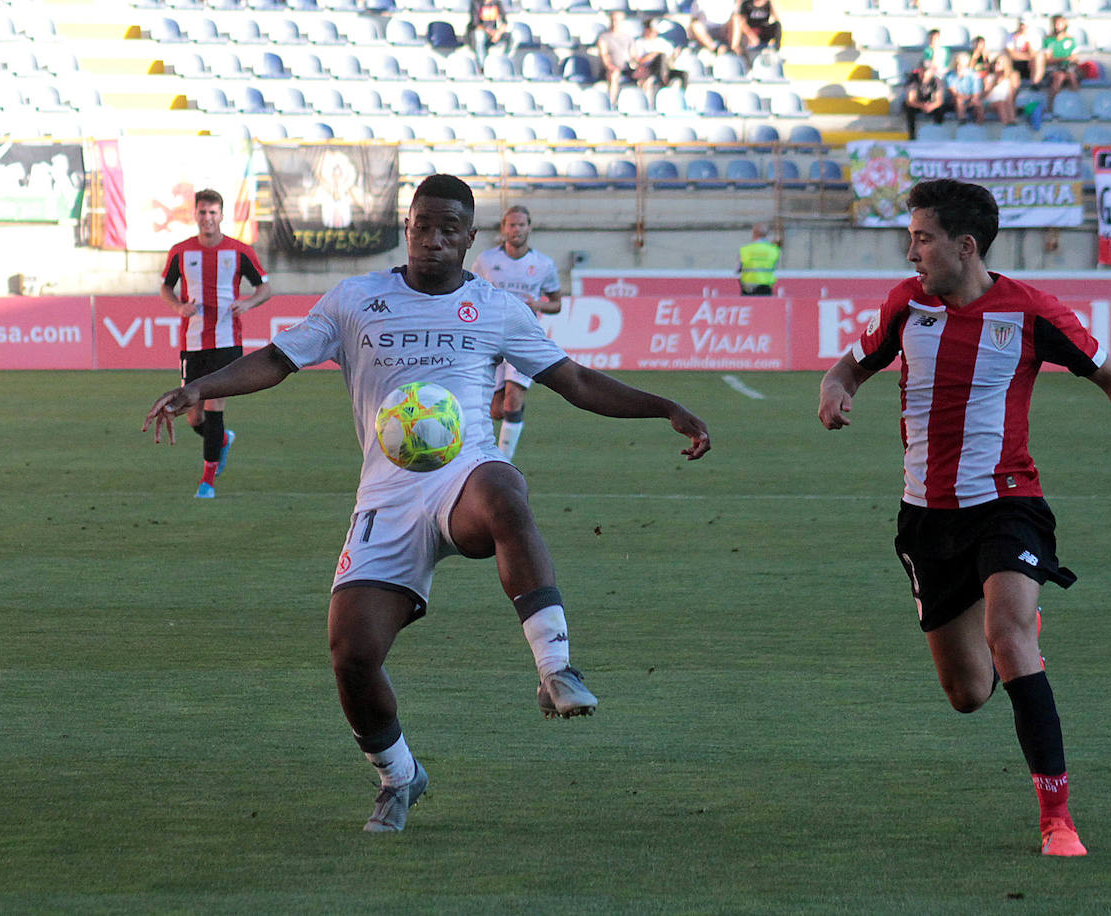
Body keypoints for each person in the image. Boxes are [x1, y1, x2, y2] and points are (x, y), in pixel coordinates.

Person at [144, 174, 711, 834]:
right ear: (406, 229)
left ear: (470, 238)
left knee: (505, 489)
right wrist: (198, 390)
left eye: (450, 230)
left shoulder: (496, 307)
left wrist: (665, 407)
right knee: (351, 655)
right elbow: (276, 357)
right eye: (423, 226)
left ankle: (556, 668)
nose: (434, 239)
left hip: (460, 477)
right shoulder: (357, 299)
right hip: (386, 497)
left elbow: (577, 380)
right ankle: (400, 776)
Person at [816, 178, 1111, 858]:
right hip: (926, 519)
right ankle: (1009, 621)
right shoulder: (907, 304)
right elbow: (851, 364)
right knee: (966, 694)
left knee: (1010, 635)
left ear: (964, 245)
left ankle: (1057, 819)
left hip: (1007, 504)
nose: (911, 252)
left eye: (922, 239)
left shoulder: (1031, 311)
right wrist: (835, 389)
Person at [159, 188, 271, 500]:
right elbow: (166, 289)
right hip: (192, 341)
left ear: (221, 215)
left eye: (213, 212)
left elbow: (265, 288)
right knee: (194, 415)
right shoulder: (180, 252)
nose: (207, 218)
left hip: (227, 341)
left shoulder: (239, 251)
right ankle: (221, 440)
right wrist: (178, 307)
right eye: (202, 212)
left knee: (215, 405)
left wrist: (248, 304)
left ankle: (207, 482)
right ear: (194, 214)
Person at [470, 205, 562, 460]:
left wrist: (539, 305)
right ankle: (513, 416)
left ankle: (503, 461)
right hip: (489, 338)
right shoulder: (486, 261)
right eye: (512, 225)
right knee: (497, 410)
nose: (517, 229)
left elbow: (556, 303)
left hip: (523, 337)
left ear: (529, 227)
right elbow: (471, 294)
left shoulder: (543, 264)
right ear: (504, 228)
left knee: (512, 400)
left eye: (521, 225)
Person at [1038, 15, 1080, 111]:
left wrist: (1073, 60)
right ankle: (1051, 105)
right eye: (1056, 23)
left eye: (1060, 23)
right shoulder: (1048, 40)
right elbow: (1048, 60)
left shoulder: (1070, 40)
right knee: (1059, 76)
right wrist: (1063, 58)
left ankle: (1075, 106)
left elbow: (1075, 58)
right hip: (1054, 68)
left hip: (1068, 67)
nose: (1058, 26)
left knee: (1072, 75)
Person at [598, 10, 635, 105]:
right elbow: (604, 55)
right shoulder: (603, 37)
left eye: (617, 20)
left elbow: (634, 56)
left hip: (626, 68)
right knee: (614, 74)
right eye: (613, 20)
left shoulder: (628, 38)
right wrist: (611, 67)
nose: (615, 23)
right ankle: (612, 103)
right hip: (610, 69)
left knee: (646, 76)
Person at [902, 61, 948, 140]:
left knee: (941, 109)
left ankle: (937, 132)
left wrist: (931, 106)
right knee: (908, 109)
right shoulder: (912, 80)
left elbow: (939, 100)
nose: (924, 73)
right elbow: (910, 100)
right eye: (922, 70)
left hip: (930, 104)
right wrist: (922, 106)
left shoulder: (936, 81)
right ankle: (912, 135)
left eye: (926, 71)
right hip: (916, 104)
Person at [736, 222, 781, 295]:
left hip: (747, 288)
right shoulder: (774, 250)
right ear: (766, 234)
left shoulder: (744, 249)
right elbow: (775, 267)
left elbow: (737, 269)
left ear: (754, 233)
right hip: (765, 287)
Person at [466, 0, 510, 67]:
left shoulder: (497, 2)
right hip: (479, 32)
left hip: (494, 33)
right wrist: (491, 32)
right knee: (480, 36)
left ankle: (506, 62)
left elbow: (504, 22)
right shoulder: (476, 3)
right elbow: (476, 24)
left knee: (511, 37)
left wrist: (498, 33)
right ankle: (482, 66)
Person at [945, 51, 985, 124]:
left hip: (970, 99)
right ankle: (962, 122)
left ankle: (980, 125)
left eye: (960, 65)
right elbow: (954, 93)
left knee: (978, 104)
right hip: (955, 101)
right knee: (959, 101)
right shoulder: (950, 75)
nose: (958, 67)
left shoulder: (974, 75)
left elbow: (976, 94)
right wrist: (966, 98)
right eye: (956, 64)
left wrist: (970, 100)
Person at [983, 53, 1020, 126]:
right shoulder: (989, 78)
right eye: (995, 63)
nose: (995, 65)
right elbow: (984, 95)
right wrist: (994, 84)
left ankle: (1012, 121)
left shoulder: (1011, 77)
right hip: (990, 102)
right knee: (1001, 103)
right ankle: (1006, 124)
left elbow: (1012, 94)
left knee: (1007, 101)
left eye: (998, 63)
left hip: (1006, 103)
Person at [1005, 19, 1038, 84]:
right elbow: (1011, 54)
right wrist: (1028, 57)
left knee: (1036, 60)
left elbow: (1033, 54)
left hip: (1028, 65)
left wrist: (1027, 41)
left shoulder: (1033, 37)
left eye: (1025, 26)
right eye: (1021, 25)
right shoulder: (1011, 36)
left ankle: (1034, 83)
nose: (1022, 27)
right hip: (1015, 64)